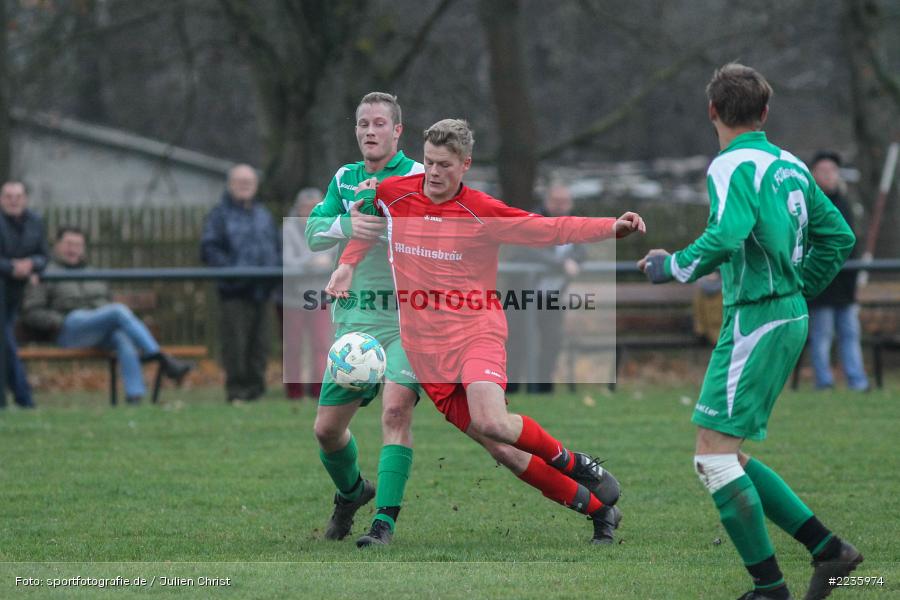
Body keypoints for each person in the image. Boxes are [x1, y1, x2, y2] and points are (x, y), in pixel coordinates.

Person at [328, 118, 645, 544]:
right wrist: (347, 264)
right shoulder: (394, 195)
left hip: (476, 331)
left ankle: (574, 463)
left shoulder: (481, 211)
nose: (434, 173)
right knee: (501, 449)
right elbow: (367, 222)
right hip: (424, 350)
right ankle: (600, 512)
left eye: (444, 164)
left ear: (465, 165)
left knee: (492, 421)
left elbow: (549, 229)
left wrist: (610, 227)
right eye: (428, 163)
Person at [638, 64, 861, 600]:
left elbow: (727, 233)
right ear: (765, 113)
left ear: (712, 111)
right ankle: (830, 552)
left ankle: (769, 589)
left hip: (757, 318)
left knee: (712, 457)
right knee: (727, 454)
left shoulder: (729, 166)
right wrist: (796, 288)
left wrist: (674, 265)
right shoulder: (789, 163)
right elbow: (840, 236)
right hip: (782, 314)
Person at [303, 92, 424, 547]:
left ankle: (384, 525)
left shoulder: (416, 174)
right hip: (355, 323)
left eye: (378, 124)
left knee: (396, 411)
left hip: (407, 321)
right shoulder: (345, 177)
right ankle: (352, 494)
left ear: (397, 131)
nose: (369, 132)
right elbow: (314, 233)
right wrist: (348, 226)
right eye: (362, 125)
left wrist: (383, 221)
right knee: (327, 431)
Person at [21, 227, 192, 404]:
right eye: (68, 244)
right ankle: (160, 357)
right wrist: (59, 322)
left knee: (122, 337)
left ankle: (135, 398)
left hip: (99, 330)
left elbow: (107, 303)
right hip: (69, 329)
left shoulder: (94, 274)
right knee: (117, 310)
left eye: (78, 245)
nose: (73, 249)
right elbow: (32, 311)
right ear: (57, 246)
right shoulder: (45, 274)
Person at [201, 164, 281, 403]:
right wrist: (233, 272)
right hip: (234, 291)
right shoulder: (219, 216)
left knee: (261, 344)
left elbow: (276, 247)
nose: (245, 186)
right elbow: (209, 249)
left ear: (256, 186)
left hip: (264, 289)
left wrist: (274, 271)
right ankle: (237, 391)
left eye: (249, 182)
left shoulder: (263, 215)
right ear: (230, 185)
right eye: (240, 181)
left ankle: (256, 391)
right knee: (235, 344)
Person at [507, 182, 587, 393]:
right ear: (547, 201)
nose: (561, 206)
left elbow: (582, 251)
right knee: (517, 342)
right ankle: (509, 388)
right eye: (556, 201)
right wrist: (559, 264)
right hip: (522, 294)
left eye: (565, 202)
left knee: (552, 341)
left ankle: (543, 389)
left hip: (551, 296)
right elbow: (525, 251)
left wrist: (575, 262)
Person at [806, 151, 869, 392]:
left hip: (845, 286)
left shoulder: (844, 203)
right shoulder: (812, 203)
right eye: (823, 170)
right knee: (821, 336)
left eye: (832, 170)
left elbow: (850, 243)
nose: (829, 175)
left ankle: (857, 381)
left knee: (850, 334)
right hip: (822, 287)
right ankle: (824, 383)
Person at [280, 187, 333, 399]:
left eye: (315, 207)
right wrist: (311, 262)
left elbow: (334, 260)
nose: (309, 211)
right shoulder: (288, 228)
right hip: (293, 296)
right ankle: (294, 390)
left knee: (321, 343)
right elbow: (288, 261)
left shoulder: (331, 228)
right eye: (305, 207)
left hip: (320, 295)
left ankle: (318, 388)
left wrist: (314, 265)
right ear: (297, 208)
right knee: (293, 345)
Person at [0, 181, 48, 408]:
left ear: (25, 199)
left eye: (18, 195)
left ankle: (19, 399)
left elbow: (43, 255)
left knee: (5, 339)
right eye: (8, 195)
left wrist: (31, 265)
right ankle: (24, 399)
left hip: (20, 294)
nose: (13, 200)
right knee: (5, 339)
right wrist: (11, 267)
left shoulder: (35, 221)